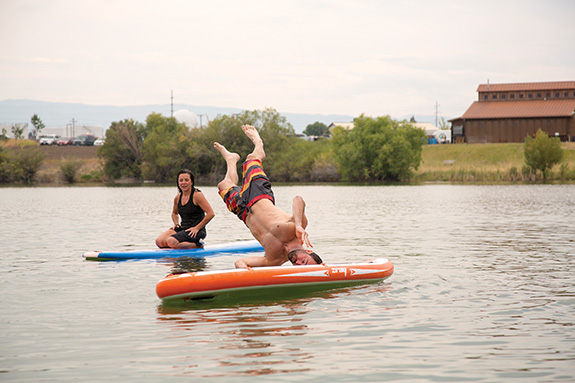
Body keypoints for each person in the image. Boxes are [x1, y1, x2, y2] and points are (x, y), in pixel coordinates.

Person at [214, 124, 323, 268]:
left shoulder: (274, 260)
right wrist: (298, 225)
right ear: (309, 251)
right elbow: (298, 200)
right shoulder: (297, 230)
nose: (296, 261)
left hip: (243, 211)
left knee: (223, 185)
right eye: (303, 261)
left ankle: (231, 159)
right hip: (258, 195)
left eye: (297, 265)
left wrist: (245, 274)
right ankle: (258, 143)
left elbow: (241, 262)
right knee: (251, 159)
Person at [155, 169, 215, 249]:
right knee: (159, 241)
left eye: (186, 180)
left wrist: (197, 228)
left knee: (171, 241)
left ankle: (198, 244)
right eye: (181, 180)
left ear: (191, 182)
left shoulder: (197, 195)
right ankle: (178, 247)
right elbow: (174, 213)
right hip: (183, 229)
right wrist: (176, 224)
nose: (183, 183)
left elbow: (211, 214)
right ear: (178, 183)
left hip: (196, 231)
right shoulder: (178, 197)